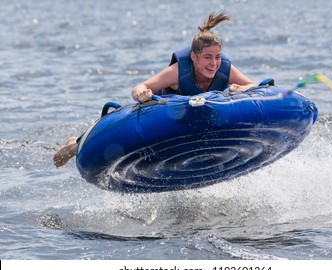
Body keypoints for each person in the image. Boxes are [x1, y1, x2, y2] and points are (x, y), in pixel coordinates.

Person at [53, 12, 257, 168]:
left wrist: (241, 88)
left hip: (197, 121)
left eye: (217, 57)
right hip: (164, 119)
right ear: (194, 57)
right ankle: (74, 145)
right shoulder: (178, 71)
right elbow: (139, 87)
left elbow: (257, 88)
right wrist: (142, 93)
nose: (214, 63)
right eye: (207, 57)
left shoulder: (225, 69)